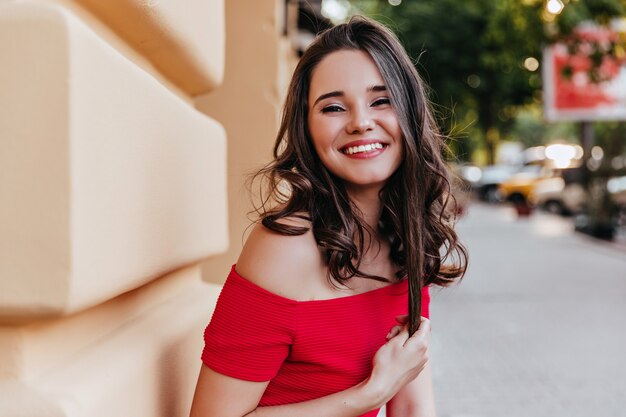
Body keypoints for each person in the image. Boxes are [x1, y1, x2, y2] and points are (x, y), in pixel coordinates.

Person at [189, 15, 467, 417]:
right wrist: (371, 394)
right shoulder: (284, 249)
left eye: (381, 100)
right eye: (334, 107)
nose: (360, 123)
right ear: (306, 127)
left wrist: (388, 387)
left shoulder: (408, 236)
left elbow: (411, 403)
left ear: (409, 112)